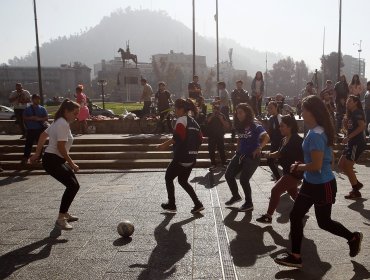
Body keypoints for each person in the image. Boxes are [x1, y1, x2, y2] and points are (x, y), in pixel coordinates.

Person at [274, 95, 363, 268]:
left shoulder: (316, 134)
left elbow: (316, 164)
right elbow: (327, 159)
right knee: (295, 215)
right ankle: (295, 256)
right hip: (310, 183)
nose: (301, 112)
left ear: (312, 112)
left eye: (303, 109)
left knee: (324, 222)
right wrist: (304, 165)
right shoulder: (317, 130)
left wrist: (299, 167)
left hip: (323, 186)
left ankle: (353, 237)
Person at [30, 99, 81, 230]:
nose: (77, 116)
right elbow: (61, 147)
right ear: (66, 111)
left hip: (54, 160)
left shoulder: (59, 121)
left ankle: (64, 213)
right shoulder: (62, 123)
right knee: (72, 186)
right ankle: (61, 218)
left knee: (74, 186)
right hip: (52, 161)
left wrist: (37, 154)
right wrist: (72, 164)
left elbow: (42, 135)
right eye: (75, 113)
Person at [157, 99, 204, 214]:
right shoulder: (194, 122)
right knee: (183, 181)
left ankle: (172, 204)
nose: (174, 111)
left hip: (181, 158)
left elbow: (178, 138)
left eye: (176, 109)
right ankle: (198, 204)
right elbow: (201, 139)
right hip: (191, 158)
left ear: (181, 109)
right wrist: (192, 150)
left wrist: (163, 145)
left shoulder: (180, 121)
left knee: (168, 177)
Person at [256, 114, 303, 223]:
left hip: (295, 172)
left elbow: (307, 155)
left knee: (275, 190)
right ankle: (303, 209)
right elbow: (280, 154)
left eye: (282, 126)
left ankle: (268, 216)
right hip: (287, 171)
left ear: (290, 126)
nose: (279, 128)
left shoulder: (298, 140)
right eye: (280, 126)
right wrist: (267, 155)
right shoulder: (284, 139)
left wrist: (304, 168)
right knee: (293, 193)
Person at [224, 103, 270, 211]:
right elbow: (240, 138)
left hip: (252, 157)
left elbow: (266, 137)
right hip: (240, 154)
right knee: (228, 175)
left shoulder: (254, 125)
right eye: (237, 113)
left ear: (247, 113)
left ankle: (249, 203)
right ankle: (236, 196)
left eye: (240, 112)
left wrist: (259, 148)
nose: (238, 115)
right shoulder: (239, 125)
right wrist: (237, 149)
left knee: (244, 180)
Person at [338, 95, 367, 199]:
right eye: (347, 101)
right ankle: (357, 184)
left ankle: (356, 190)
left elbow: (362, 126)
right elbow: (350, 129)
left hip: (357, 143)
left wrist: (348, 137)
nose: (347, 102)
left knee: (348, 166)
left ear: (356, 102)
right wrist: (345, 125)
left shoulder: (358, 112)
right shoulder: (351, 114)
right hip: (351, 143)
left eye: (350, 101)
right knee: (341, 165)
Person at [22, 94, 48, 164]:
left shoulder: (42, 108)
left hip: (40, 129)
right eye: (36, 99)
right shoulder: (28, 109)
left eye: (38, 99)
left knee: (40, 144)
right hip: (31, 129)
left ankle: (39, 157)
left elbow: (46, 118)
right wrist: (31, 118)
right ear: (32, 100)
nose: (37, 100)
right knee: (28, 144)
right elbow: (24, 117)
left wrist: (39, 119)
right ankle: (25, 158)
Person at [206, 103, 230, 171]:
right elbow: (207, 122)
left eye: (217, 110)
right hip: (211, 135)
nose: (216, 111)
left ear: (219, 110)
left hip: (220, 135)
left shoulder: (222, 115)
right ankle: (213, 164)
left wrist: (221, 119)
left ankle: (224, 164)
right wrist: (212, 116)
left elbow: (227, 125)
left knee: (221, 149)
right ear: (213, 109)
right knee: (211, 150)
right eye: (214, 109)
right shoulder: (209, 115)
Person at [266, 101, 283, 181]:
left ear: (276, 108)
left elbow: (284, 131)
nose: (269, 109)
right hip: (274, 143)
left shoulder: (280, 118)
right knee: (270, 161)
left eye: (271, 108)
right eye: (268, 108)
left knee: (283, 162)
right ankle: (279, 178)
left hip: (281, 143)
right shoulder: (271, 118)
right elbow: (269, 131)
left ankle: (290, 179)